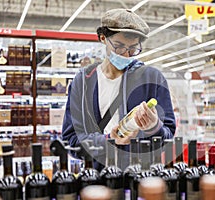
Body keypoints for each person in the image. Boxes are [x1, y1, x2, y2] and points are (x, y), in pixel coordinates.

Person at [62, 8, 176, 171]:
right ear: (103, 38)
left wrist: (154, 127)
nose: (126, 55)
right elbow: (70, 140)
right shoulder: (82, 82)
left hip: (141, 176)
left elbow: (167, 137)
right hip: (97, 177)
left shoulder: (152, 79)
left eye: (133, 48)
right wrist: (108, 140)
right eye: (119, 46)